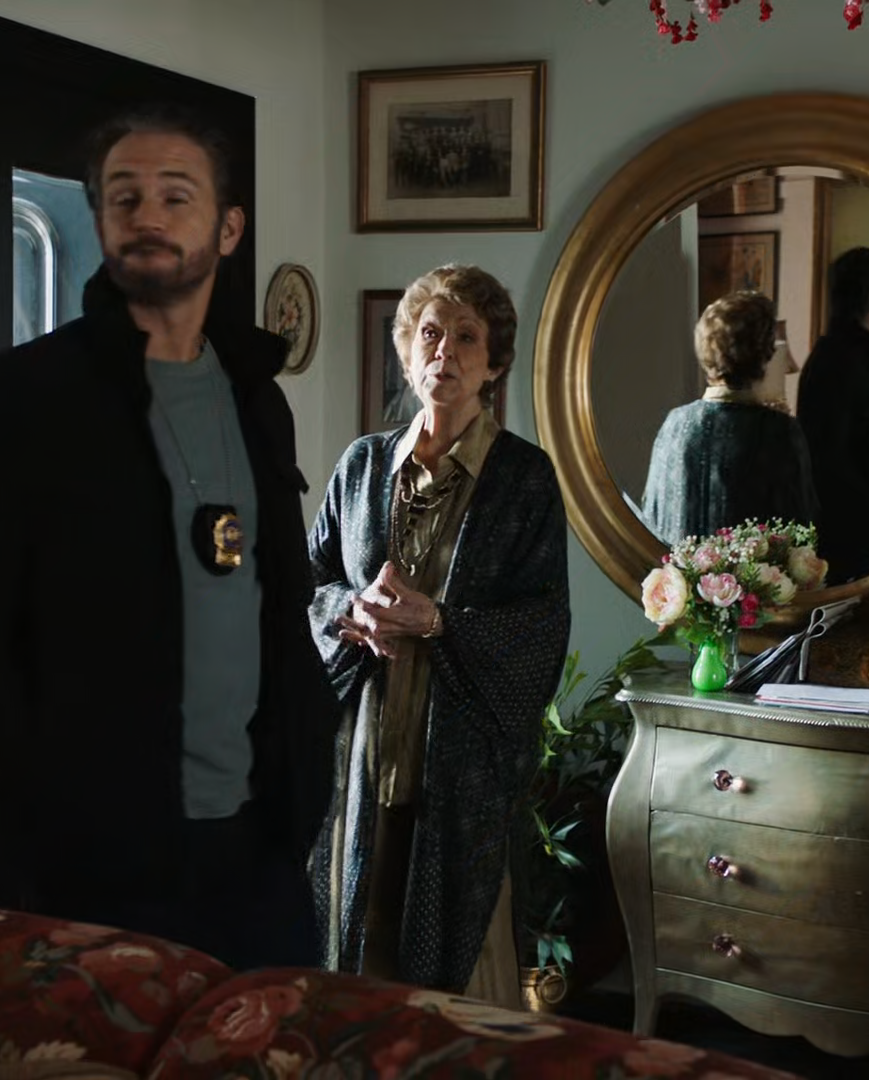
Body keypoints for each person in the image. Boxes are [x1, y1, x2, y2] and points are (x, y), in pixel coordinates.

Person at [0, 102, 336, 970]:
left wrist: (306, 767)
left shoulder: (258, 401)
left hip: (259, 854)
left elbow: (279, 606)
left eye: (176, 195)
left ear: (229, 227)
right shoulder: (10, 405)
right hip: (92, 868)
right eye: (123, 197)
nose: (147, 216)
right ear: (98, 221)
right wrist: (55, 799)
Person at [308, 264, 570, 1005]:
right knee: (355, 949)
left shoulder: (525, 480)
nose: (444, 352)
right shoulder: (362, 465)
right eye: (429, 333)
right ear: (406, 351)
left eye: (466, 337)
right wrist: (350, 610)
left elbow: (543, 624)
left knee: (453, 977)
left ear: (494, 363)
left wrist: (439, 622)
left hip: (459, 769)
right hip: (362, 750)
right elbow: (308, 583)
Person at [641, 290, 820, 545]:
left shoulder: (674, 424)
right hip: (748, 572)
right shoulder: (779, 432)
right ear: (766, 353)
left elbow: (652, 517)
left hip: (677, 569)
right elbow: (801, 531)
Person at [797, 247, 869, 585]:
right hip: (857, 544)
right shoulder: (853, 361)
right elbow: (858, 459)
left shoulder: (829, 356)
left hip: (837, 533)